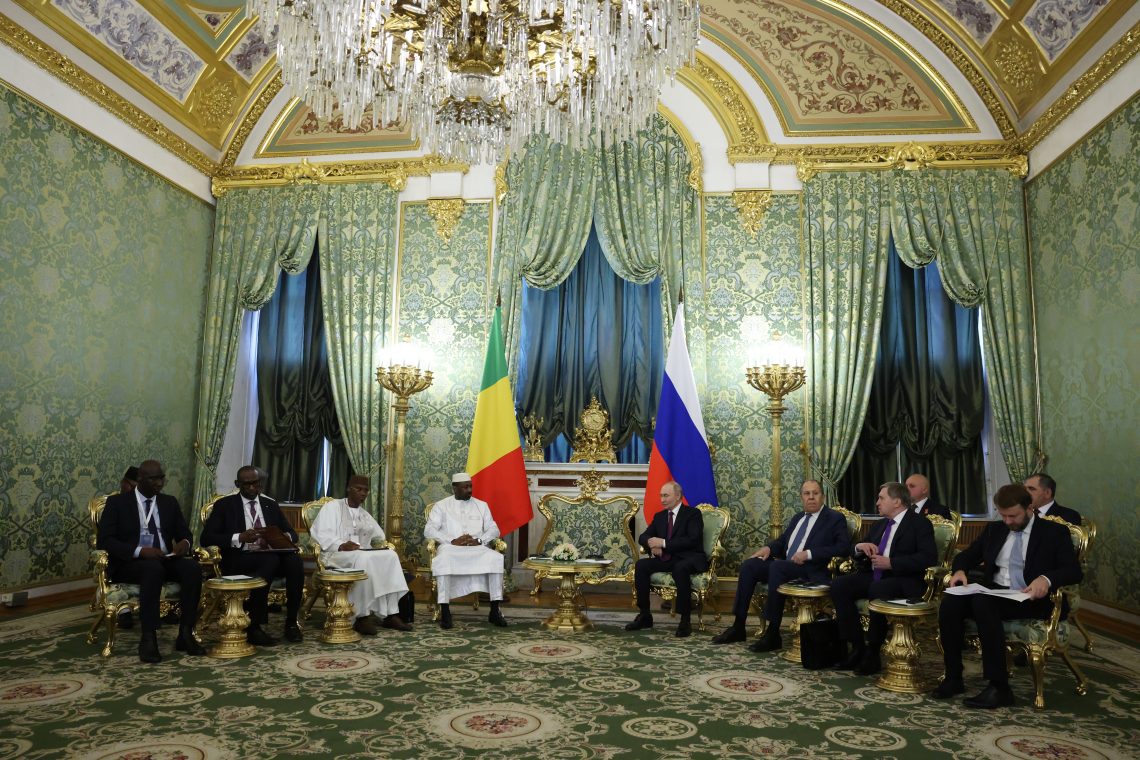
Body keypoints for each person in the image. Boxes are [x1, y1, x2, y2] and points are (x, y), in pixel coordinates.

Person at [934, 483, 1082, 708]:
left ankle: (999, 687)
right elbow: (967, 556)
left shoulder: (1054, 533)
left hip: (1031, 598)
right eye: (1003, 515)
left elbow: (1073, 571)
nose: (1008, 521)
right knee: (951, 603)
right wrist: (960, 571)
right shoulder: (995, 530)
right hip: (995, 592)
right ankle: (954, 677)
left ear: (1029, 507)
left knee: (983, 602)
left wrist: (1046, 579)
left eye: (1013, 516)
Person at [711, 480, 849, 651]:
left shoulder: (834, 518)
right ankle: (738, 626)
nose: (811, 497)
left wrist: (809, 554)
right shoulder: (798, 517)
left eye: (815, 493)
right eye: (807, 494)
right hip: (787, 567)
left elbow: (843, 548)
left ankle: (773, 633)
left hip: (811, 569)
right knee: (750, 565)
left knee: (777, 567)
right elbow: (783, 541)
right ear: (801, 497)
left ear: (823, 496)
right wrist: (768, 548)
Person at [96, 459, 206, 663]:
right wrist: (140, 551)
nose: (159, 483)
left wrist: (184, 543)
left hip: (165, 558)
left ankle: (185, 633)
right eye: (154, 479)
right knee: (152, 569)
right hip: (130, 563)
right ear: (140, 479)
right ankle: (148, 637)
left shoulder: (169, 502)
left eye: (162, 478)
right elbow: (105, 540)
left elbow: (185, 533)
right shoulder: (118, 503)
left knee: (192, 568)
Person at [830, 482, 937, 674]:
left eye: (881, 498)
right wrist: (860, 547)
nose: (877, 502)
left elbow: (927, 558)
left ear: (896, 501)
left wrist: (892, 563)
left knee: (877, 590)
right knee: (839, 585)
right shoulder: (880, 525)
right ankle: (857, 646)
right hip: (873, 574)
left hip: (903, 579)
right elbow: (857, 551)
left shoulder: (919, 523)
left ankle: (873, 651)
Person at [200, 465, 305, 646]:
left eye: (255, 484)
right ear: (237, 484)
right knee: (269, 560)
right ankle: (255, 626)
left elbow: (292, 534)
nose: (251, 488)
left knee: (294, 560)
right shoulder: (225, 505)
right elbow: (207, 537)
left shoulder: (269, 504)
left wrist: (280, 537)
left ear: (260, 483)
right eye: (246, 484)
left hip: (271, 555)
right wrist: (239, 537)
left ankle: (291, 623)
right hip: (239, 558)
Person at [310, 475, 413, 635]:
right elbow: (321, 533)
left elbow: (379, 536)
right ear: (348, 489)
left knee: (391, 556)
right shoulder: (332, 507)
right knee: (363, 558)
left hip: (360, 554)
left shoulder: (364, 514)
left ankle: (391, 614)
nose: (363, 493)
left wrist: (381, 546)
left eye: (365, 490)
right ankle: (361, 617)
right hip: (334, 554)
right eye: (358, 489)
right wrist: (341, 545)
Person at [424, 472, 508, 629]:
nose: (469, 490)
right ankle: (445, 611)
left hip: (477, 548)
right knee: (444, 559)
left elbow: (493, 528)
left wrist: (479, 540)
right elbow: (429, 530)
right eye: (465, 487)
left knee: (495, 558)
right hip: (451, 548)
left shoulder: (481, 505)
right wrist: (451, 540)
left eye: (470, 486)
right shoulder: (441, 506)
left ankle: (495, 611)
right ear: (455, 488)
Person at [625, 481, 707, 638]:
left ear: (678, 496)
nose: (662, 499)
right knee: (641, 565)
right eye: (661, 495)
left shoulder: (693, 514)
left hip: (689, 557)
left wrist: (662, 543)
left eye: (666, 495)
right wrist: (651, 543)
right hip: (667, 558)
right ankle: (645, 615)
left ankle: (685, 620)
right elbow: (644, 536)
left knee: (680, 568)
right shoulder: (660, 516)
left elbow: (692, 540)